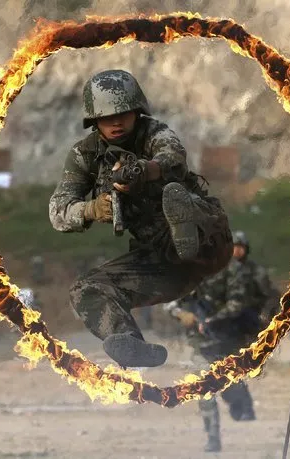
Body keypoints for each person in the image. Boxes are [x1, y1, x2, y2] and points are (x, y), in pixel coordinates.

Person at [49, 69, 233, 368]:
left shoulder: (155, 133)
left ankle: (184, 228)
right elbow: (58, 212)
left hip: (209, 242)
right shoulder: (85, 155)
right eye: (107, 117)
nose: (117, 122)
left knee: (176, 193)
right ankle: (130, 343)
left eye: (123, 113)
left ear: (138, 112)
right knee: (87, 289)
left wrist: (144, 172)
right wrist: (92, 209)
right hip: (164, 265)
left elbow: (173, 156)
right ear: (94, 120)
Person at [165, 230, 279, 452]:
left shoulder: (234, 270)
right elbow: (170, 302)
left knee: (230, 383)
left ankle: (239, 402)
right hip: (200, 342)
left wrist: (212, 320)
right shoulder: (189, 272)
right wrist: (181, 314)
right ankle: (213, 437)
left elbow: (239, 302)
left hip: (227, 337)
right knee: (203, 388)